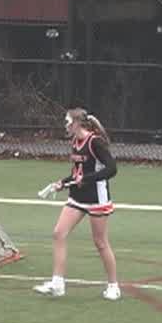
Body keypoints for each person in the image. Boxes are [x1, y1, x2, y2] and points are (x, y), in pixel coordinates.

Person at [35, 108, 121, 300]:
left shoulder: (95, 142)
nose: (66, 125)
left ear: (77, 123)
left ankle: (113, 285)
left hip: (97, 199)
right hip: (78, 198)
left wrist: (88, 179)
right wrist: (62, 183)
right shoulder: (75, 142)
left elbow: (112, 169)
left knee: (100, 242)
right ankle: (57, 283)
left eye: (68, 122)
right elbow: (77, 174)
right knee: (58, 233)